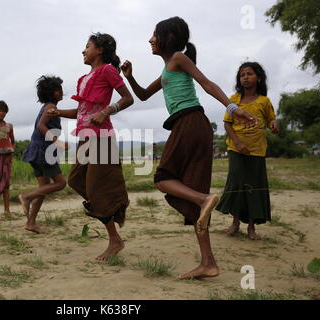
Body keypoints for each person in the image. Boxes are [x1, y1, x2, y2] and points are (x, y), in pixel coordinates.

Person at [121, 17, 257, 279]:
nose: (150, 40)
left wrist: (233, 108)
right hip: (192, 125)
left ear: (169, 38)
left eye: (155, 35)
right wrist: (130, 77)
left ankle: (204, 199)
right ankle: (208, 262)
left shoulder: (179, 59)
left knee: (162, 179)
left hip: (189, 121)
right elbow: (143, 96)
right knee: (192, 196)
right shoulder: (167, 71)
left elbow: (207, 84)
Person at [49, 33, 134, 261]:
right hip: (86, 138)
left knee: (95, 190)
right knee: (76, 180)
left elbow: (128, 98)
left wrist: (106, 111)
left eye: (87, 46)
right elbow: (81, 112)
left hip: (102, 137)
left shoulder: (107, 70)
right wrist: (58, 112)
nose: (83, 50)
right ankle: (114, 205)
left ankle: (115, 239)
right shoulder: (84, 78)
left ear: (100, 50)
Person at [216, 62, 278, 240]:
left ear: (258, 77)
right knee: (237, 185)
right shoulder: (233, 100)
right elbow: (227, 124)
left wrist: (274, 125)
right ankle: (235, 223)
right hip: (236, 149)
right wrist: (237, 143)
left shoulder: (264, 101)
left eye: (249, 74)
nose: (245, 77)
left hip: (256, 151)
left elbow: (271, 120)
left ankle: (251, 227)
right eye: (242, 75)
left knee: (253, 187)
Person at [20, 75, 68, 234]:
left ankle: (31, 223)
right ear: (55, 92)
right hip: (43, 152)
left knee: (44, 188)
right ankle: (27, 197)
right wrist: (57, 142)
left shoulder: (48, 107)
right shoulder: (50, 108)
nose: (62, 92)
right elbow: (41, 126)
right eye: (59, 89)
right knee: (61, 183)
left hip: (37, 149)